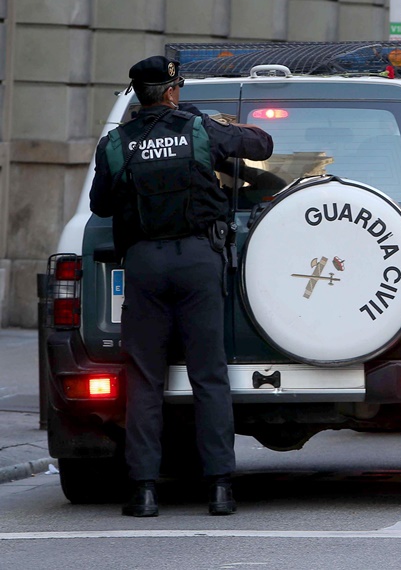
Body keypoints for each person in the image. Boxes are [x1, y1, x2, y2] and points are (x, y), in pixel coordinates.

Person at [89, 55, 274, 517]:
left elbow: (101, 205)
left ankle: (145, 492)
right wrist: (208, 125)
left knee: (145, 380)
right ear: (172, 91)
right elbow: (263, 145)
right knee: (208, 375)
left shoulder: (115, 143)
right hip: (197, 261)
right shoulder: (198, 130)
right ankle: (219, 490)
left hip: (145, 264)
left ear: (137, 94)